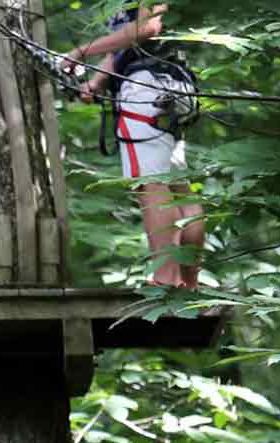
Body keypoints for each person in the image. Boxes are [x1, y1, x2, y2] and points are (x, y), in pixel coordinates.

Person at [63, 1, 205, 289]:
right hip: (172, 86)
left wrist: (80, 52)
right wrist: (98, 82)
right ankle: (189, 283)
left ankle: (165, 281)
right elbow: (124, 46)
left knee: (150, 185)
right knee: (178, 188)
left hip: (145, 88)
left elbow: (147, 27)